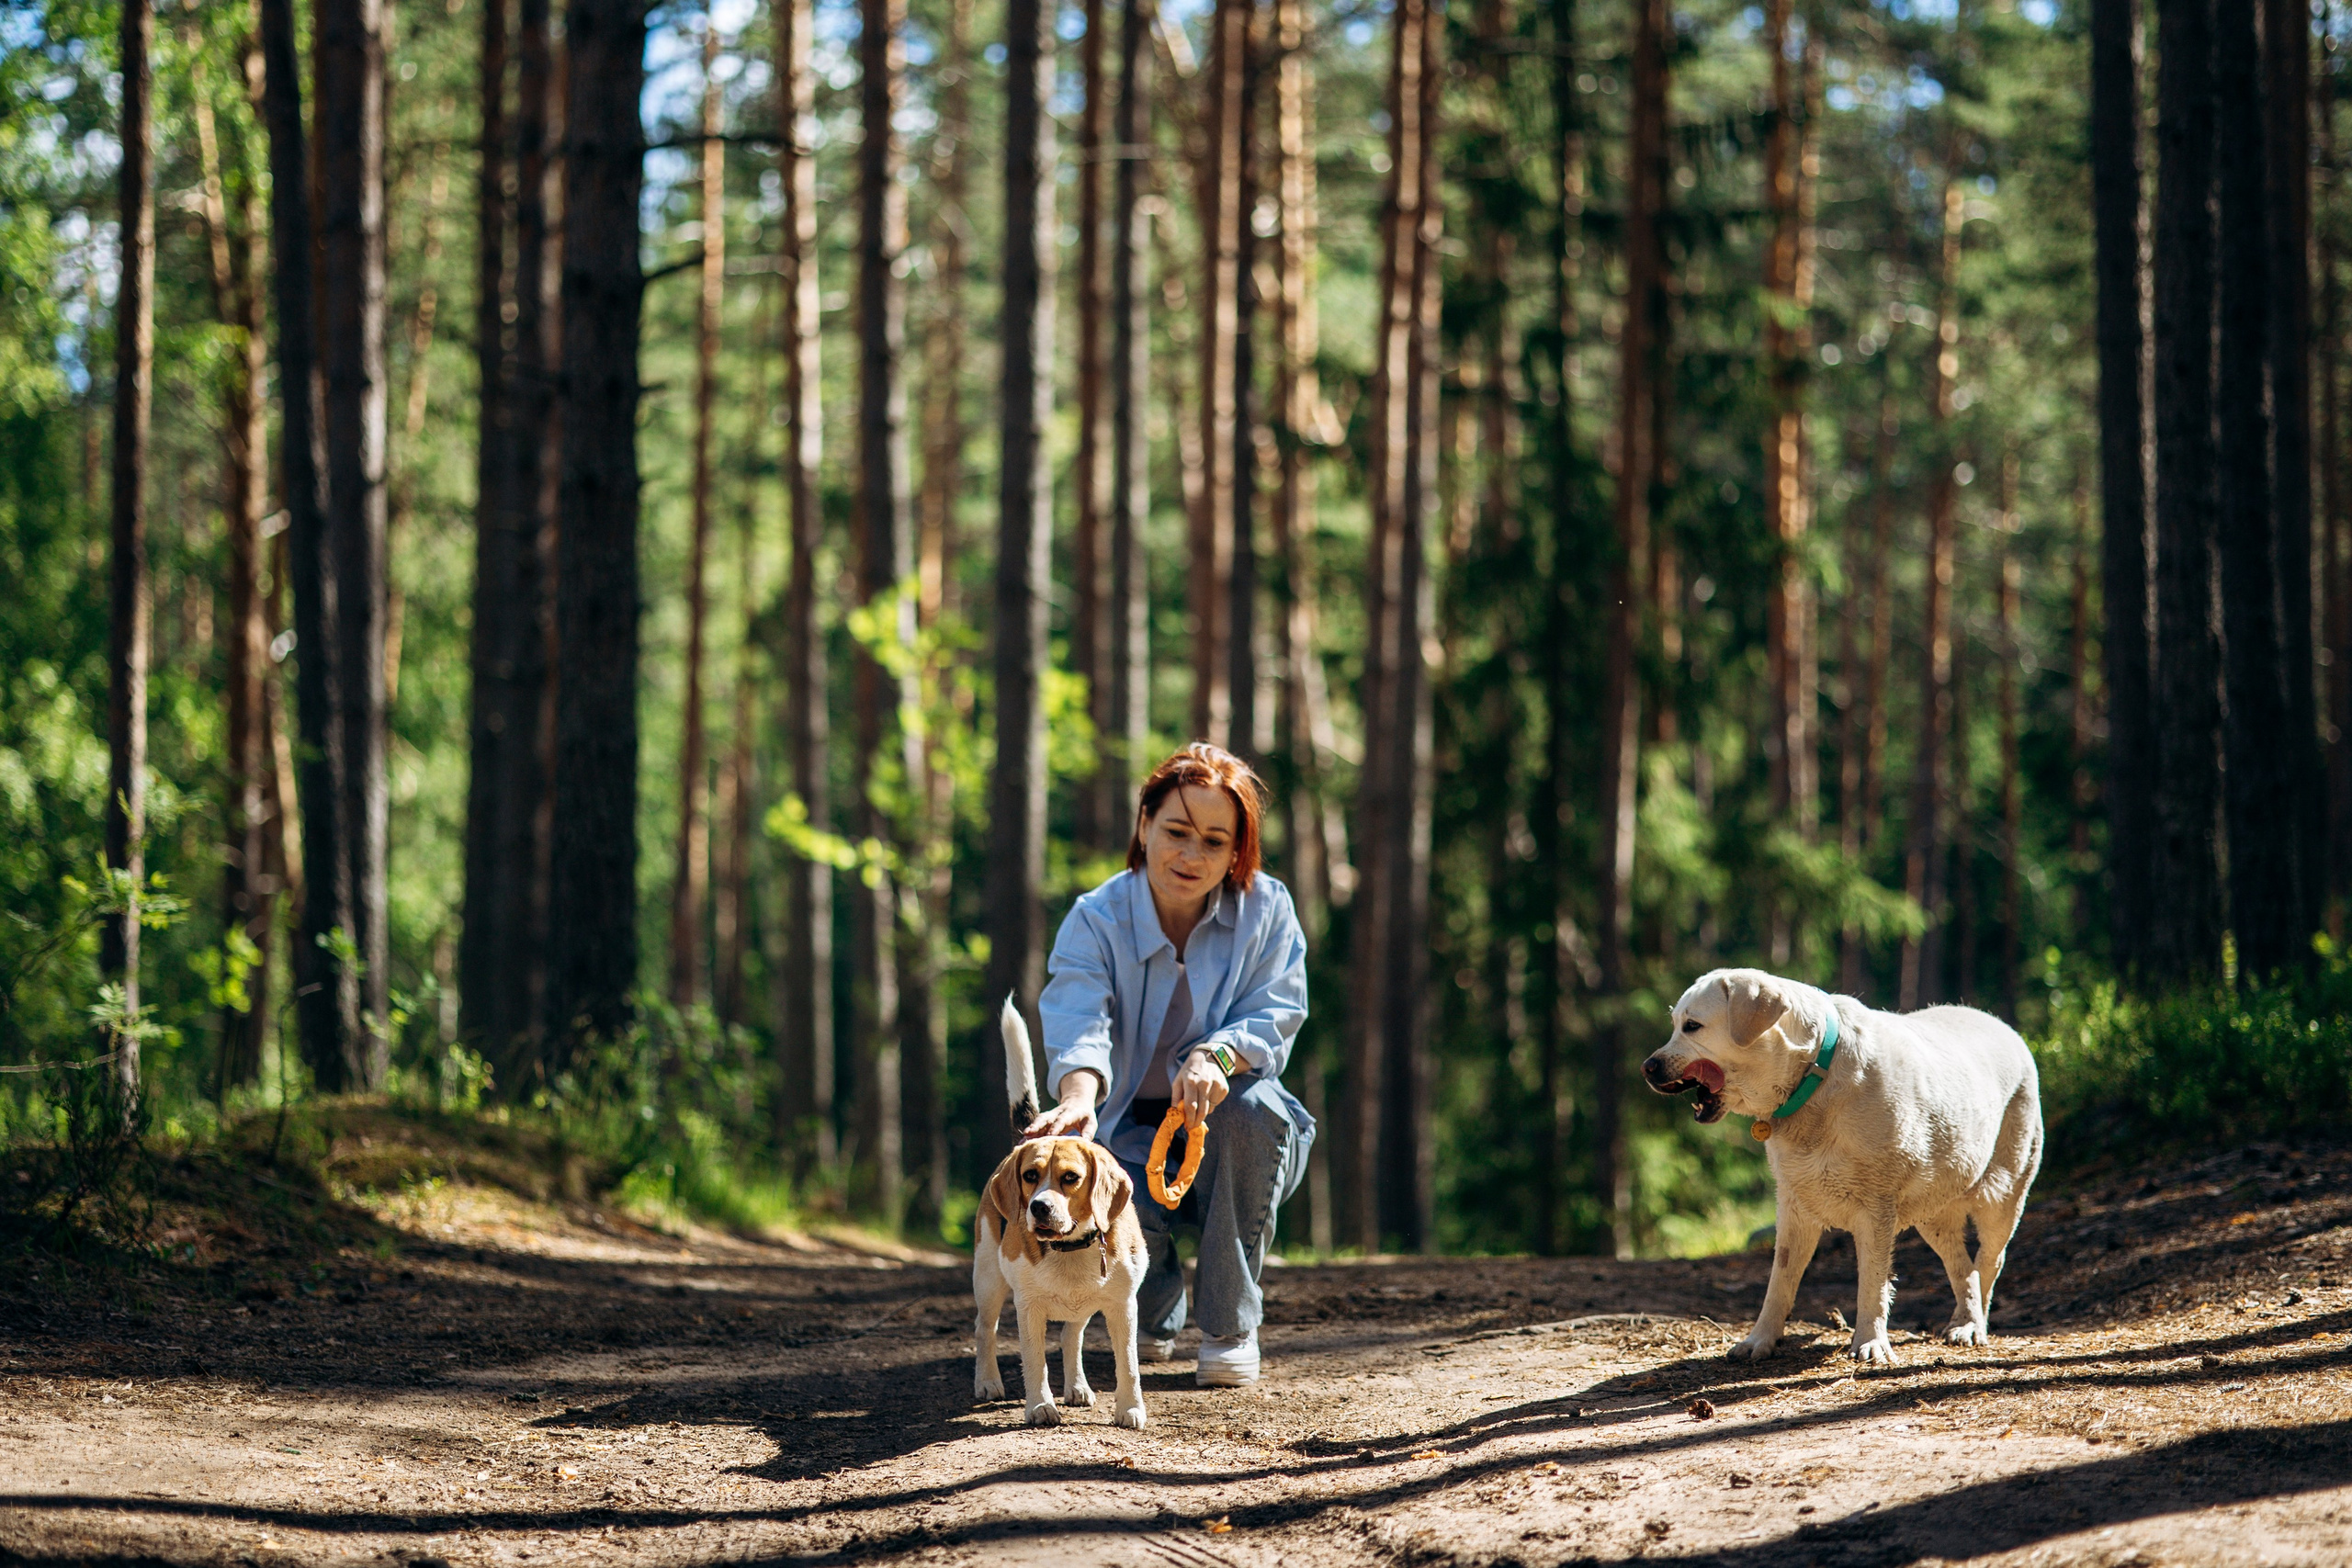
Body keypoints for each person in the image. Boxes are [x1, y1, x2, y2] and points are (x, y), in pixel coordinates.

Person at [1024, 743, 1315, 1387]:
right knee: (1141, 1297)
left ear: (1237, 850)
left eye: (1215, 841)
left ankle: (1229, 1325)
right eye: (1176, 831)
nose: (1191, 856)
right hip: (1126, 1129)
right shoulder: (1095, 918)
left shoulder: (1268, 910)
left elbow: (1278, 1011)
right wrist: (1077, 1098)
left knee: (1253, 1107)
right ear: (1144, 824)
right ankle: (1153, 1310)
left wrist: (1217, 1054)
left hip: (1234, 1128)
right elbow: (1079, 1019)